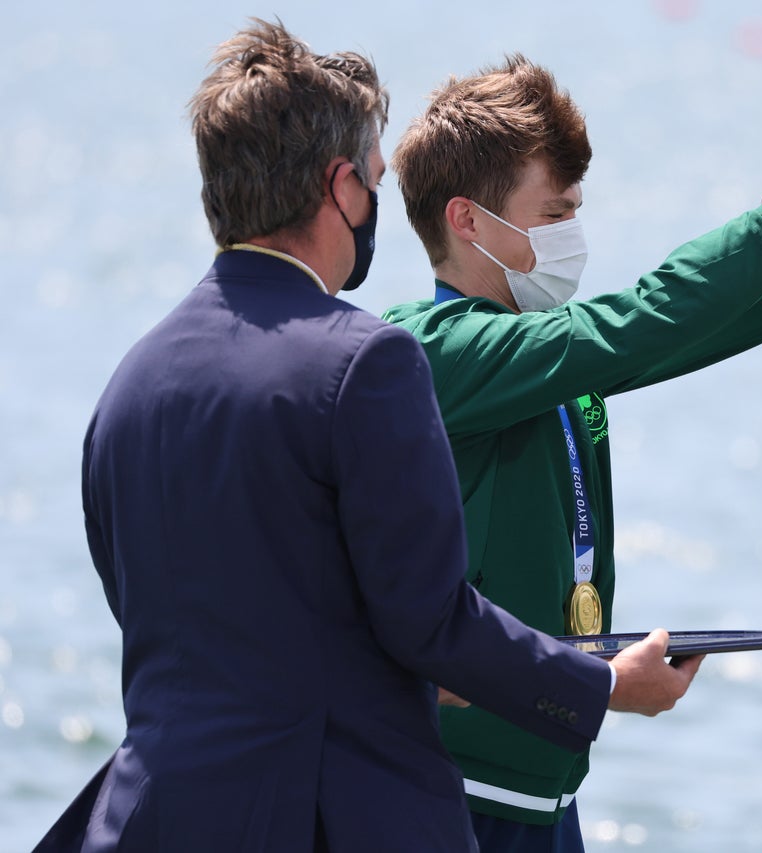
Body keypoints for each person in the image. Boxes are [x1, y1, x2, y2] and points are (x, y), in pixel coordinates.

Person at [34, 21, 702, 853]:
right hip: (330, 821)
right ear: (344, 187)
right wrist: (597, 684)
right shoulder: (366, 362)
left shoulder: (132, 381)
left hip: (151, 819)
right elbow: (429, 624)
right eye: (376, 183)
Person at [383, 54, 762, 851]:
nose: (572, 232)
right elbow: (646, 318)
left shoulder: (541, 352)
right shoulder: (437, 351)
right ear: (466, 221)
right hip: (453, 797)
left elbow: (686, 330)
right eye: (553, 211)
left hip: (542, 792)